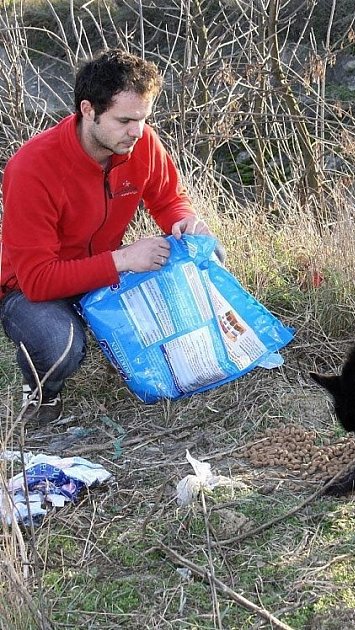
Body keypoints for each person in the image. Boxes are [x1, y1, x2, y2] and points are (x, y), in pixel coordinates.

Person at [0, 48, 218, 424]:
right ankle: (40, 392)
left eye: (143, 119)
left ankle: (198, 365)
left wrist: (184, 221)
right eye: (125, 120)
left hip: (104, 272)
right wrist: (122, 261)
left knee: (206, 256)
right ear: (88, 110)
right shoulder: (32, 169)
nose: (137, 131)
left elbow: (169, 199)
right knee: (59, 346)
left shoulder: (141, 143)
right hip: (28, 289)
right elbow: (37, 279)